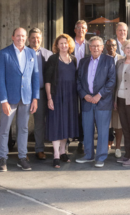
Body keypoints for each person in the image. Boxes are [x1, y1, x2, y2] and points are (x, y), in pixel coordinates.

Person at [0, 27, 39, 172]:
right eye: (18, 36)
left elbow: (35, 77)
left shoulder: (31, 52)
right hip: (10, 99)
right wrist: (3, 100)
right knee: (4, 129)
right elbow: (0, 79)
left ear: (26, 38)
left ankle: (22, 158)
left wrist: (35, 98)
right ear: (12, 37)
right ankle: (2, 158)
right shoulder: (4, 53)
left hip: (26, 98)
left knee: (23, 128)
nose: (21, 38)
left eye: (23, 36)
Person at [76, 36, 116, 168]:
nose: (95, 48)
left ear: (102, 47)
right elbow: (78, 81)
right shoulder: (83, 62)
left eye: (98, 46)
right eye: (93, 46)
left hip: (103, 102)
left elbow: (111, 81)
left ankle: (100, 157)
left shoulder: (109, 60)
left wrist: (99, 95)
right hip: (87, 102)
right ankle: (88, 155)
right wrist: (84, 95)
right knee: (87, 130)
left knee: (103, 131)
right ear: (89, 48)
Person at [44, 34, 78, 168]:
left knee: (67, 124)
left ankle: (63, 151)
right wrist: (49, 98)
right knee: (56, 124)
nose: (64, 46)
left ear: (69, 45)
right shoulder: (52, 59)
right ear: (57, 46)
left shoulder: (74, 59)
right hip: (56, 95)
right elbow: (47, 80)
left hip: (70, 97)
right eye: (61, 43)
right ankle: (56, 155)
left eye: (66, 43)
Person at [28, 28, 52, 160]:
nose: (35, 40)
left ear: (41, 39)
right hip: (25, 93)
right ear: (28, 39)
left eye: (38, 37)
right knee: (23, 122)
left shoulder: (48, 54)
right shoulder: (22, 52)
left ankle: (39, 149)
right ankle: (21, 151)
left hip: (42, 93)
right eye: (33, 37)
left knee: (39, 123)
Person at [73, 20, 90, 153]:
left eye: (83, 28)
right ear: (75, 30)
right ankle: (67, 139)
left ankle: (82, 141)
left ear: (86, 30)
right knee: (70, 110)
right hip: (69, 81)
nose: (81, 30)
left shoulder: (90, 45)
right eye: (78, 27)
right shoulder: (67, 44)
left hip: (85, 83)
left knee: (84, 112)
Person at [106, 38, 123, 157]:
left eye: (113, 45)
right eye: (108, 45)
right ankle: (107, 145)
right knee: (106, 123)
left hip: (119, 95)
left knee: (118, 124)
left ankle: (118, 147)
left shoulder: (123, 59)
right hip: (105, 95)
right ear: (105, 47)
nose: (111, 47)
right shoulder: (102, 59)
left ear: (117, 47)